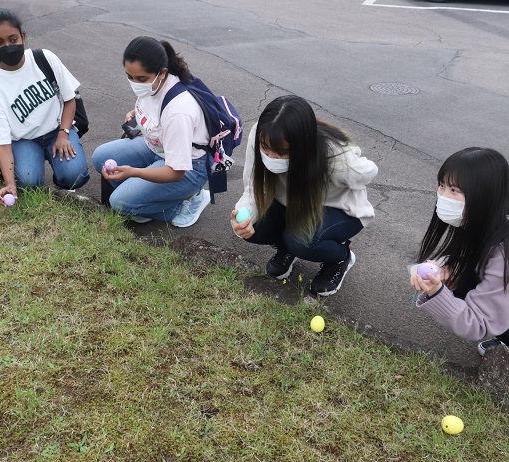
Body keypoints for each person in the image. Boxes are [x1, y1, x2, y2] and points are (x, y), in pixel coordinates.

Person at [231, 95, 378, 296]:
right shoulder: (260, 134)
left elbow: (369, 171)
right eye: (266, 149)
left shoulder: (335, 159)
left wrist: (346, 163)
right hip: (293, 204)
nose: (271, 158)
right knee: (254, 226)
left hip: (338, 209)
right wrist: (244, 216)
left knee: (301, 240)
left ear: (304, 146)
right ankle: (287, 248)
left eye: (282, 152)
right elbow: (254, 188)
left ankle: (340, 258)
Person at [91, 36, 211, 227]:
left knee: (119, 203)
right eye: (129, 77)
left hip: (187, 167)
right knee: (100, 157)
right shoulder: (153, 85)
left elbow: (175, 172)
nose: (135, 83)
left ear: (162, 73)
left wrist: (134, 173)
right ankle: (143, 202)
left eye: (141, 79)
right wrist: (134, 114)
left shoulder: (178, 111)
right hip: (155, 147)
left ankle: (189, 199)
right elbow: (150, 106)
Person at [0, 8, 89, 206]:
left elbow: (69, 99)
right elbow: (2, 142)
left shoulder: (44, 58)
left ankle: (61, 176)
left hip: (57, 130)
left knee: (75, 175)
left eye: (13, 39)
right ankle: (36, 166)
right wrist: (10, 184)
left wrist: (63, 135)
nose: (8, 46)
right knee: (29, 184)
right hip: (23, 140)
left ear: (22, 36)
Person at [410, 148, 509, 356]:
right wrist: (453, 269)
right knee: (465, 283)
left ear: (484, 194)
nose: (444, 196)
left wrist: (436, 292)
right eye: (442, 185)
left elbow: (478, 323)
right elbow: (476, 258)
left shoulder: (504, 251)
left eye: (455, 190)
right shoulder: (486, 219)